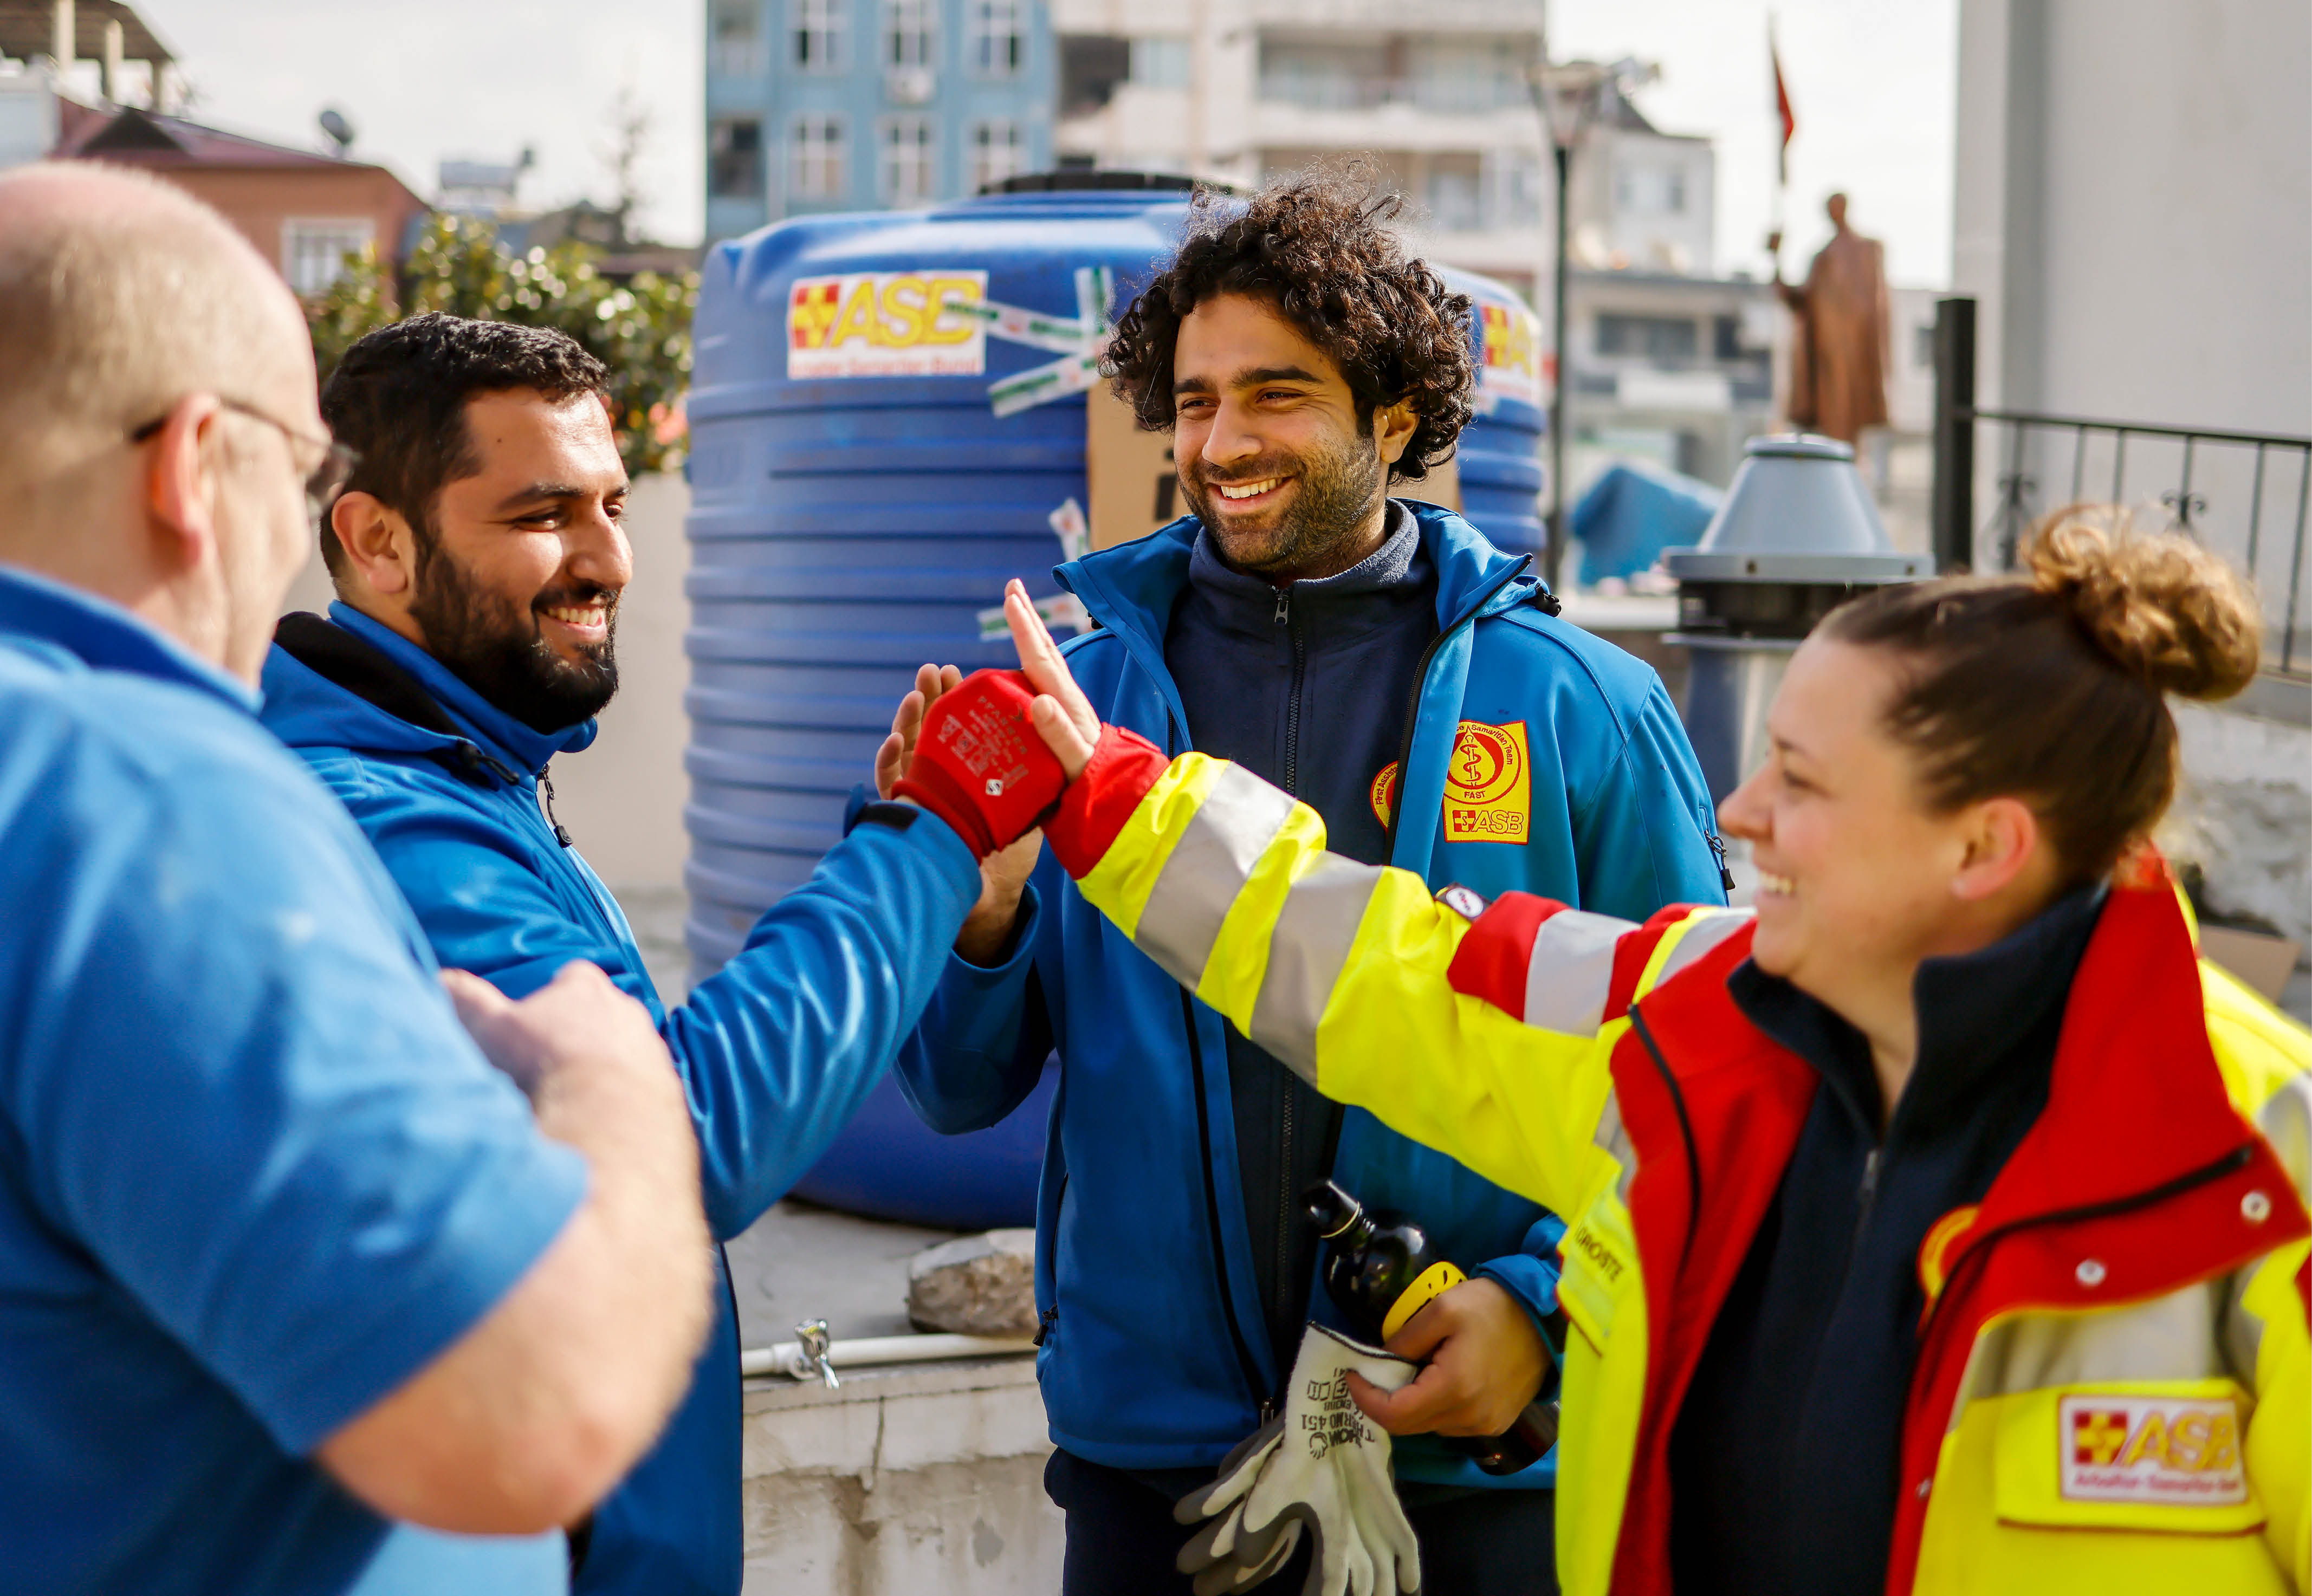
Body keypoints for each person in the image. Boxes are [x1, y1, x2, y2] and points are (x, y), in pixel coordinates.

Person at [1000, 512, 2312, 1596]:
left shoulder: (2265, 1163)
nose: (1739, 811)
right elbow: (1388, 968)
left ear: (1981, 847)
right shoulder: (1688, 1018)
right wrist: (1117, 800)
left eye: (1799, 780)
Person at [885, 171, 1729, 1594]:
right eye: (1197, 400)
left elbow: (1704, 1082)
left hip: (1475, 1461)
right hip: (1153, 1473)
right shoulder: (1070, 708)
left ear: (1394, 416)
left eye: (1275, 394)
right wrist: (979, 916)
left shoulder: (1584, 705)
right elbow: (959, 1089)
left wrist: (1535, 1312)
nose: (1220, 441)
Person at [0, 165, 714, 1593]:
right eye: (303, 470)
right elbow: (528, 1410)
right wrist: (609, 1085)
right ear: (194, 462)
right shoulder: (129, 795)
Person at [258, 313, 995, 1596]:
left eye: (614, 501)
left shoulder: (476, 776)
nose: (607, 557)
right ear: (375, 540)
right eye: (544, 511)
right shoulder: (387, 819)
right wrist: (926, 842)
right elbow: (673, 1137)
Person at [1771, 192, 1891, 446]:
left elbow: (1875, 306)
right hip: (1827, 355)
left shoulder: (1867, 251)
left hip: (1857, 355)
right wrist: (1776, 260)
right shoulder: (1822, 258)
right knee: (1833, 426)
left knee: (1848, 428)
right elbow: (1798, 301)